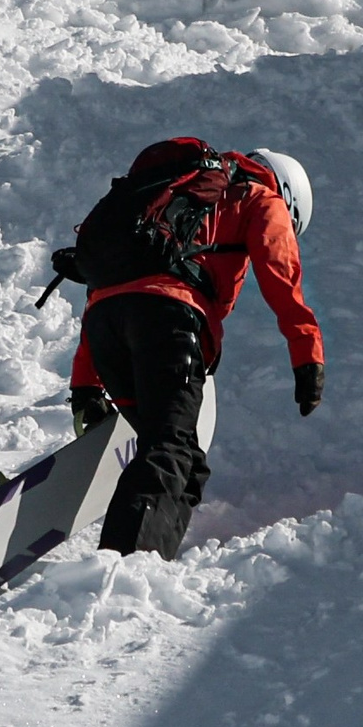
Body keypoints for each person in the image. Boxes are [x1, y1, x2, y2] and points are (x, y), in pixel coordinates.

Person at [56, 138, 323, 560]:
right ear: (289, 199)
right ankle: (128, 563)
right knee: (174, 449)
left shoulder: (168, 199)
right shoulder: (259, 196)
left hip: (107, 329)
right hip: (168, 324)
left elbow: (114, 289)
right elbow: (281, 277)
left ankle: (134, 537)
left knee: (176, 453)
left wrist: (85, 384)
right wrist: (307, 354)